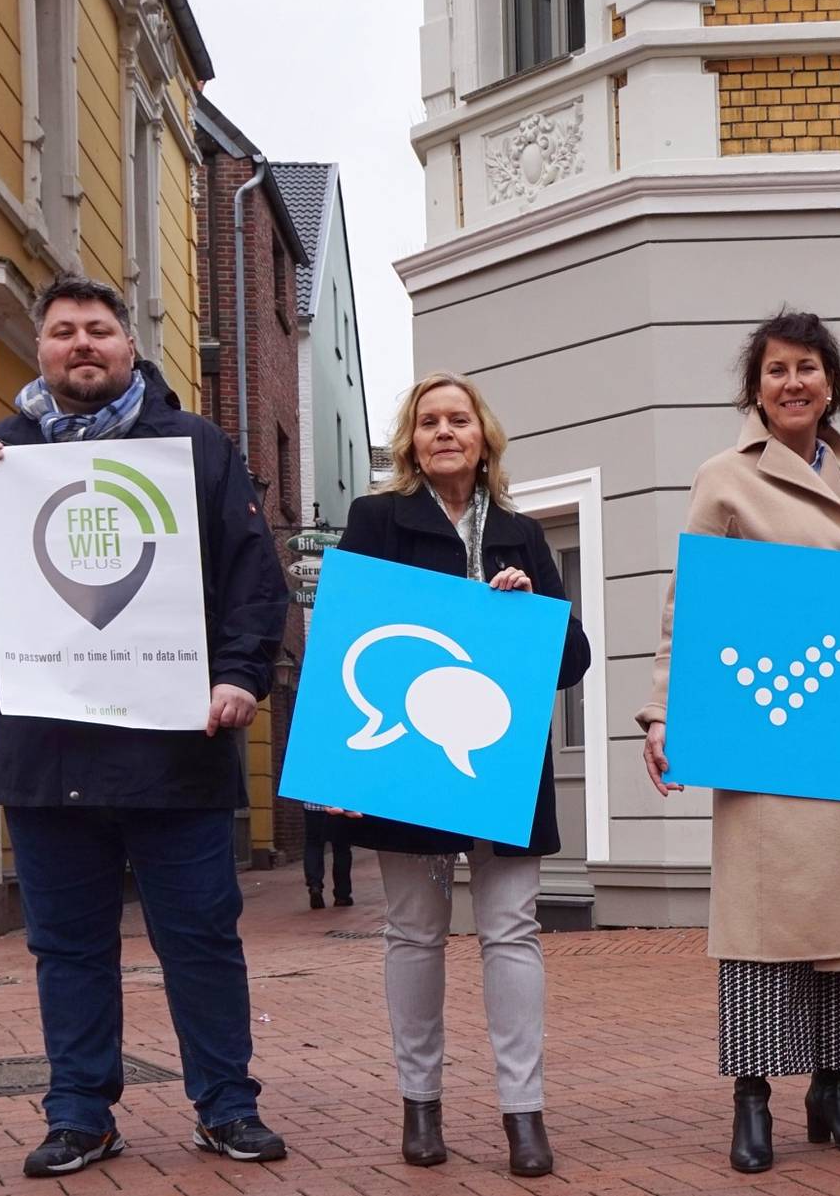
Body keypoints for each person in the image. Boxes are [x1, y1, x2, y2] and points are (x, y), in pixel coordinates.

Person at [0, 275, 290, 1178]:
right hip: (48, 754)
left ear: (129, 348)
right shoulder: (2, 456)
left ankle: (226, 1105)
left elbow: (253, 575)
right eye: (63, 332)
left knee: (199, 936)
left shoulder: (195, 446)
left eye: (99, 330)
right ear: (40, 350)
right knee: (66, 945)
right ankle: (80, 1112)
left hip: (176, 748)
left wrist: (240, 676)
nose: (82, 344)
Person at [638, 311, 840, 1175]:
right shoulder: (724, 480)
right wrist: (663, 714)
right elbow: (687, 603)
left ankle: (835, 1088)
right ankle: (754, 1095)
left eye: (807, 367)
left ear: (830, 384)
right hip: (763, 737)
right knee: (764, 922)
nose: (792, 382)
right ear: (756, 387)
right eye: (776, 370)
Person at [327, 372, 591, 1180]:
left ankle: (524, 1111)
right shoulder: (376, 521)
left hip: (502, 765)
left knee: (511, 932)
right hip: (406, 760)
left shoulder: (520, 531)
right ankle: (420, 1104)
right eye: (429, 421)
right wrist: (340, 762)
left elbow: (570, 659)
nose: (445, 432)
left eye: (459, 419)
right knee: (413, 932)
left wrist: (529, 611)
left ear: (484, 437)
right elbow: (347, 639)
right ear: (411, 439)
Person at [302, 803, 353, 909]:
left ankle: (314, 885)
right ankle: (342, 895)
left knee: (313, 845)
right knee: (341, 848)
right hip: (338, 806)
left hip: (312, 807)